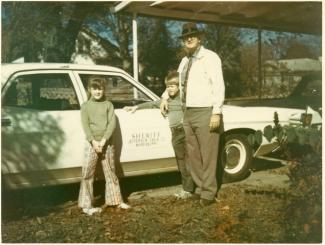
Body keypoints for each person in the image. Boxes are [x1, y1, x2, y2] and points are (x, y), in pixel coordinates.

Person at [161, 22, 225, 206]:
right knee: (193, 155)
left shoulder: (210, 58)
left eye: (193, 36)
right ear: (183, 41)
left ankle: (209, 193)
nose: (189, 39)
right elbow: (177, 82)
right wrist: (165, 97)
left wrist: (217, 113)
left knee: (208, 155)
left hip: (206, 112)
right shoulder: (184, 61)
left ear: (200, 38)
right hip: (187, 112)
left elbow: (218, 86)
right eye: (185, 37)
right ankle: (199, 188)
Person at [124, 70, 195, 199]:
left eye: (172, 86)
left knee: (188, 162)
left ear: (179, 86)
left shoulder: (184, 99)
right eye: (167, 87)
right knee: (181, 162)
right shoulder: (166, 101)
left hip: (184, 131)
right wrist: (135, 108)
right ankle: (188, 189)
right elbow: (152, 104)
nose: (170, 89)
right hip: (175, 134)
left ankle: (190, 189)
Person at [78, 75, 130, 215]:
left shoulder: (108, 105)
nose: (97, 92)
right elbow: (86, 125)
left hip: (107, 143)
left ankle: (116, 200)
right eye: (94, 89)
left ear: (104, 90)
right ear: (90, 89)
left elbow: (111, 124)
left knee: (110, 171)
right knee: (87, 174)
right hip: (92, 143)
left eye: (100, 89)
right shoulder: (86, 106)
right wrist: (94, 141)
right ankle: (86, 205)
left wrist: (103, 141)